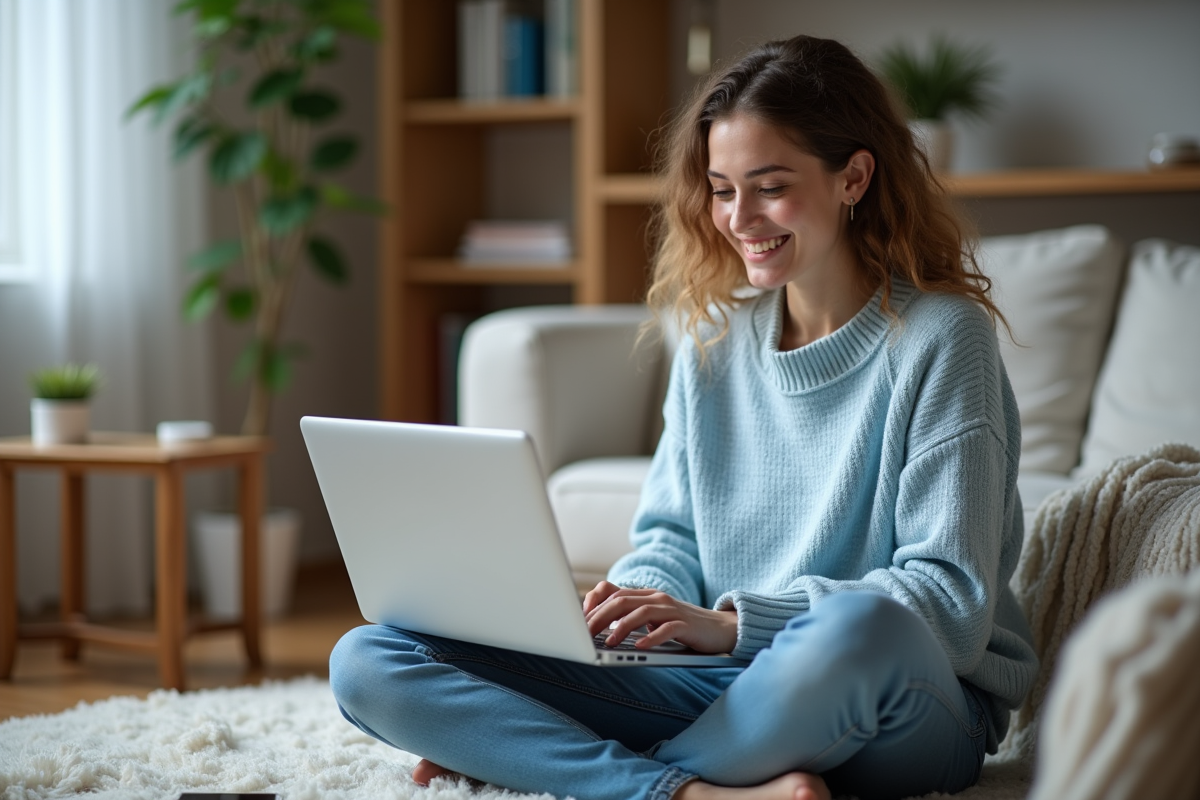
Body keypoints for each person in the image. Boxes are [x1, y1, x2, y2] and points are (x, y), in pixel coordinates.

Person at [329, 34, 1038, 800]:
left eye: (769, 186)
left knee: (860, 629)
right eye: (722, 188)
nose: (739, 218)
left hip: (903, 702)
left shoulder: (942, 337)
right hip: (728, 689)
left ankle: (553, 763)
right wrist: (623, 614)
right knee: (372, 658)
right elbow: (670, 538)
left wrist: (733, 626)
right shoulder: (714, 340)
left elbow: (949, 604)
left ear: (854, 177)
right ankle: (693, 791)